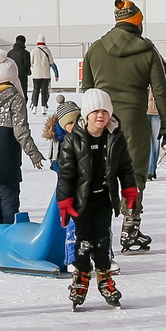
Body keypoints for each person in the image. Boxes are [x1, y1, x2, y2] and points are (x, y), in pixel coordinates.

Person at [80, 0, 166, 250]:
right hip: (134, 121)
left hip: (101, 120)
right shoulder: (147, 50)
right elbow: (160, 90)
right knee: (134, 174)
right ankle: (130, 227)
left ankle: (97, 230)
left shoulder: (95, 49)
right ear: (138, 22)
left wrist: (88, 122)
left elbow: (87, 90)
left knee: (99, 172)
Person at [54, 87, 132, 311]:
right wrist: (64, 201)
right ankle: (81, 279)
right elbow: (66, 174)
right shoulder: (72, 140)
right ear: (86, 115)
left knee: (103, 242)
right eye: (95, 111)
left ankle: (105, 279)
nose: (100, 116)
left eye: (105, 111)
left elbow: (125, 168)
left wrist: (129, 190)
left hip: (104, 200)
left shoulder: (114, 137)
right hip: (82, 202)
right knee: (83, 241)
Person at [0, 52, 45, 236]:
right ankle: (8, 234)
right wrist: (34, 154)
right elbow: (21, 131)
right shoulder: (15, 98)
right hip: (6, 155)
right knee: (8, 195)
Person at [31, 37, 56, 108]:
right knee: (44, 91)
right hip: (46, 74)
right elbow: (51, 62)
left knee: (36, 90)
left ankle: (35, 107)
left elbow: (31, 62)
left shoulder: (34, 50)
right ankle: (43, 107)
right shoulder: (47, 50)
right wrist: (56, 74)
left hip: (36, 74)